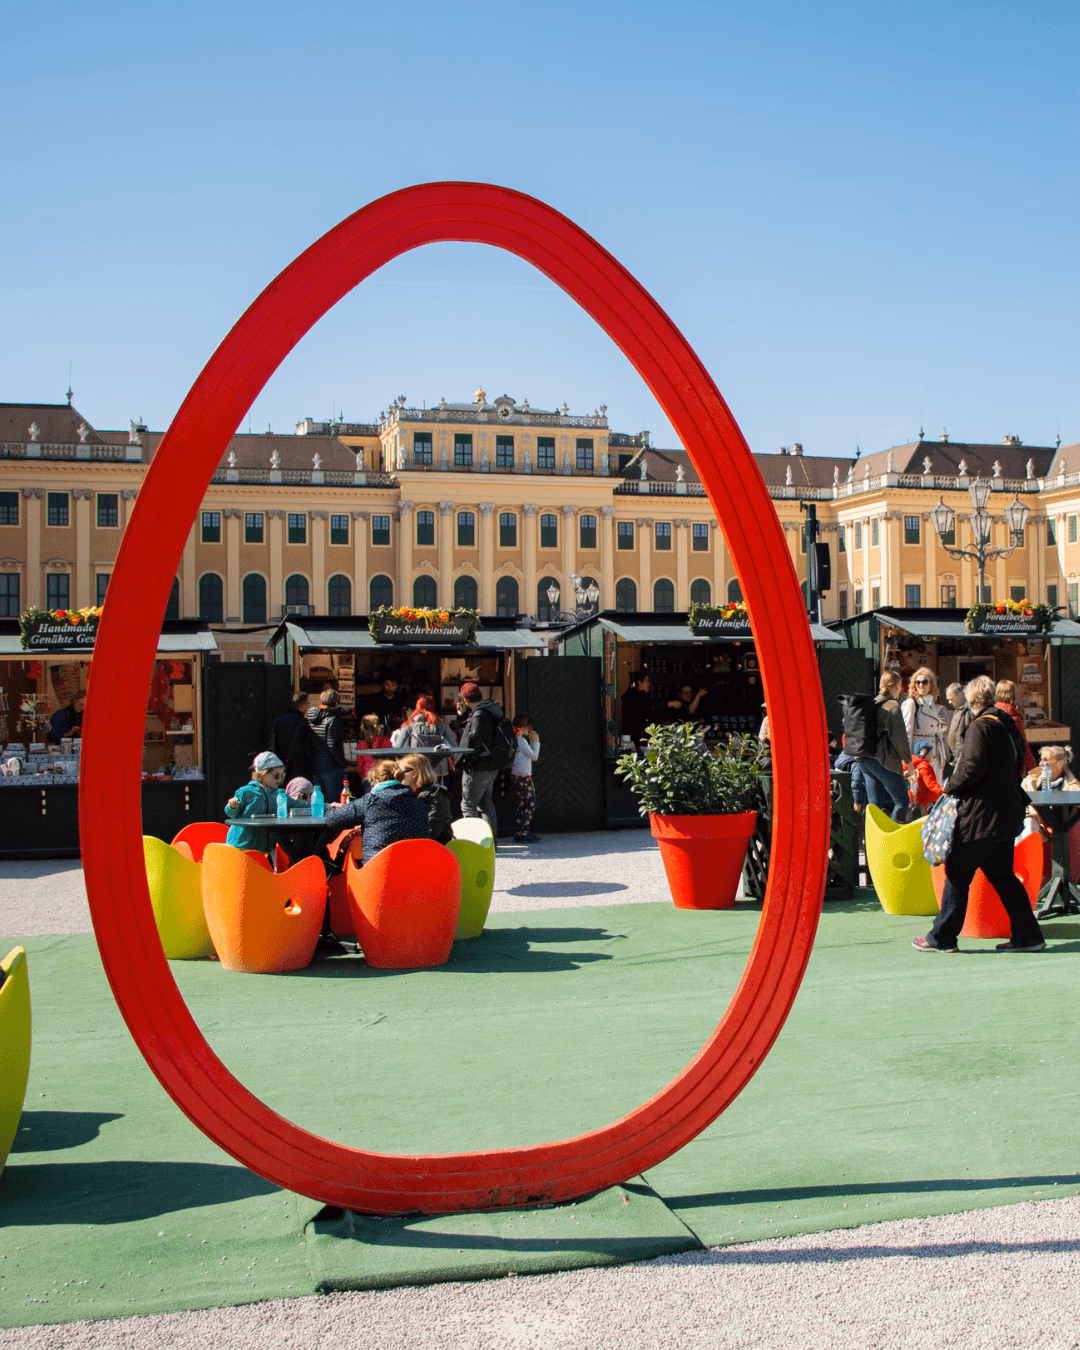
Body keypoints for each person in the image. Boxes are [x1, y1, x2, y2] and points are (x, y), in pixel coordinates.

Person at [914, 675, 1046, 954]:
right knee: (1002, 875)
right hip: (1007, 810)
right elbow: (1021, 760)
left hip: (981, 814)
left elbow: (970, 767)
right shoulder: (1006, 722)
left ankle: (942, 937)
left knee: (958, 873)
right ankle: (1028, 935)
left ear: (971, 699)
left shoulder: (980, 726)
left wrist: (948, 787)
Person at [318, 759, 430, 868]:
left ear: (375, 781)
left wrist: (332, 808)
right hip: (415, 872)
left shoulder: (370, 801)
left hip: (376, 873)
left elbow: (331, 819)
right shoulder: (419, 803)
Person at [857, 670, 912, 821]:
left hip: (864, 759)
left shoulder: (872, 703)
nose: (901, 689)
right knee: (902, 801)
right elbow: (899, 737)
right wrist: (908, 760)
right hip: (882, 760)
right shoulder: (892, 706)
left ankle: (871, 841)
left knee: (874, 806)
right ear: (895, 685)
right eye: (900, 685)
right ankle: (893, 839)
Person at [457, 680, 507, 841]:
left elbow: (474, 739)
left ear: (466, 699)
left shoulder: (479, 714)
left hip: (479, 766)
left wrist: (466, 761)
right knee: (486, 803)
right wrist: (465, 715)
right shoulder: (490, 710)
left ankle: (472, 844)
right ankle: (491, 844)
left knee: (468, 805)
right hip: (492, 764)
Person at [225, 751, 284, 853]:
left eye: (282, 775)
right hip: (242, 844)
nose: (279, 779)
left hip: (263, 847)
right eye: (276, 775)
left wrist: (316, 805)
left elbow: (297, 804)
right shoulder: (246, 791)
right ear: (262, 774)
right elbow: (231, 813)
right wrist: (232, 806)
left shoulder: (279, 795)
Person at [391, 694, 458, 778]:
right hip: (439, 771)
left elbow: (397, 748)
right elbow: (454, 747)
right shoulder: (441, 725)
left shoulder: (409, 726)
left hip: (416, 770)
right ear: (433, 707)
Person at [901, 668, 949, 783]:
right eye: (918, 682)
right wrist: (907, 761)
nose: (921, 685)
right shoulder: (911, 703)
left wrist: (944, 753)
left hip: (935, 754)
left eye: (925, 682)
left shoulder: (933, 705)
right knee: (919, 792)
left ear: (931, 684)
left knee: (935, 790)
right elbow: (906, 732)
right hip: (919, 753)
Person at [397, 752, 453, 845]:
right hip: (417, 847)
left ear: (414, 773)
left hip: (435, 850)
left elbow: (430, 831)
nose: (397, 775)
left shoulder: (437, 796)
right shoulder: (408, 794)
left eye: (401, 772)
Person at [307, 687, 347, 801]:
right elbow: (332, 745)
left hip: (316, 764)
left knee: (319, 801)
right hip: (331, 765)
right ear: (336, 702)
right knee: (332, 802)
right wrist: (342, 763)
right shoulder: (333, 719)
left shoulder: (312, 718)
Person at [995, 680, 1037, 775]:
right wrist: (1036, 772)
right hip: (1014, 769)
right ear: (1014, 694)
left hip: (995, 768)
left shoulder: (990, 715)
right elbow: (1024, 747)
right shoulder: (1014, 718)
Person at [269, 692, 313, 783]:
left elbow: (273, 744)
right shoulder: (303, 724)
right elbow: (308, 750)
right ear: (303, 705)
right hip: (299, 770)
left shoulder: (279, 721)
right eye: (307, 704)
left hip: (281, 767)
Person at [511, 714, 541, 843]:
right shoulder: (521, 740)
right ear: (525, 726)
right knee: (530, 802)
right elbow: (534, 756)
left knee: (523, 802)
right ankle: (524, 831)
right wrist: (535, 741)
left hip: (517, 774)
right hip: (523, 775)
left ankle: (519, 831)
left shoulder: (516, 738)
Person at [907, 739, 942, 814]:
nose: (932, 755)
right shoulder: (924, 766)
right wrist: (941, 790)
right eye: (930, 753)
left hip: (919, 799)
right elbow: (929, 784)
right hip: (926, 799)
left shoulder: (915, 765)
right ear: (924, 753)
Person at [355, 713, 391, 778]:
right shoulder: (386, 741)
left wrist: (363, 778)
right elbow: (391, 760)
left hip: (368, 777)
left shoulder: (361, 745)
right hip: (384, 776)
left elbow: (360, 767)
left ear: (363, 728)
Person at [620, 671, 652, 745]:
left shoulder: (629, 696)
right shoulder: (638, 698)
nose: (649, 684)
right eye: (647, 681)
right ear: (639, 682)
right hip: (637, 737)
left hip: (628, 737)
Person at [944, 682, 972, 766]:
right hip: (955, 757)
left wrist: (958, 756)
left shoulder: (967, 711)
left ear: (960, 695)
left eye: (951, 699)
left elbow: (964, 735)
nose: (949, 702)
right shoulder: (958, 710)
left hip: (961, 758)